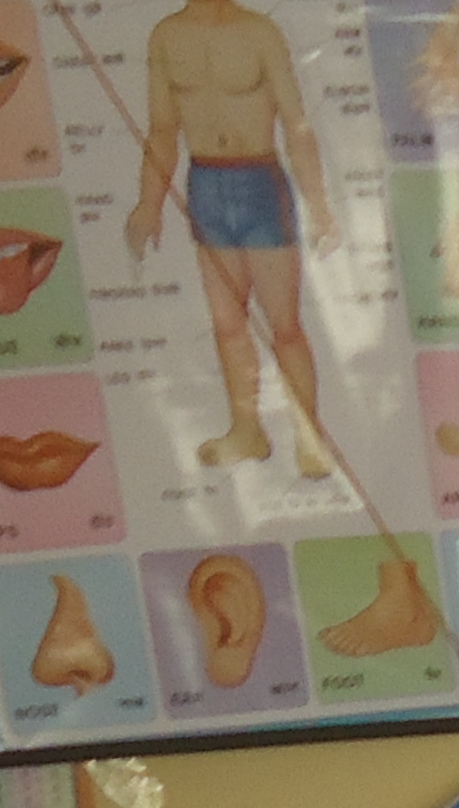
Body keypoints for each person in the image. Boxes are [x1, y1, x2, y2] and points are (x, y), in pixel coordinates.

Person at [126, 0, 346, 478]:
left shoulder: (260, 32)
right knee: (227, 323)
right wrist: (149, 203)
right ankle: (247, 429)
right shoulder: (166, 36)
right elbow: (163, 129)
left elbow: (296, 123)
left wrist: (320, 204)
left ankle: (308, 435)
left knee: (283, 324)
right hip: (206, 185)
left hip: (260, 185)